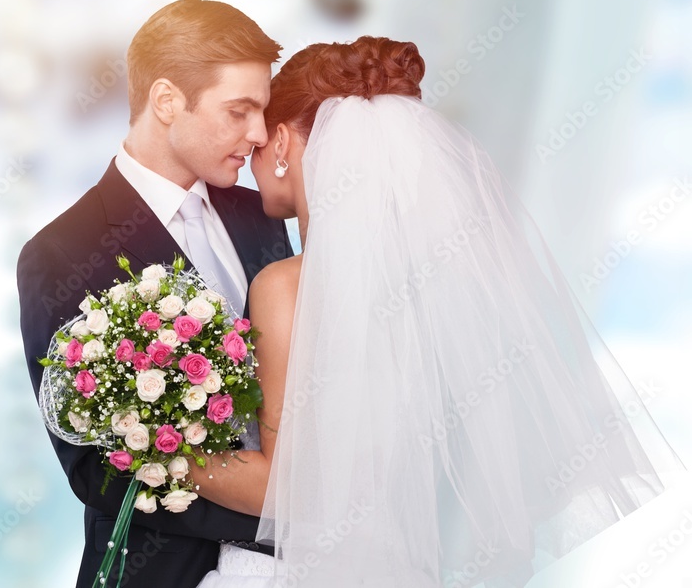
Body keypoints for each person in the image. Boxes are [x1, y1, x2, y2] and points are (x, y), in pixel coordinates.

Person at [193, 37, 684, 587]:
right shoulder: (448, 279)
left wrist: (155, 451)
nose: (253, 145)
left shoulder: (286, 286)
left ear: (282, 141)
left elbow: (291, 487)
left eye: (262, 137)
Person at [16, 0, 293, 588]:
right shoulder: (60, 253)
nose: (259, 134)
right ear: (167, 101)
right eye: (239, 111)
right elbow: (94, 468)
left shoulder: (258, 215)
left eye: (263, 112)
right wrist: (279, 512)